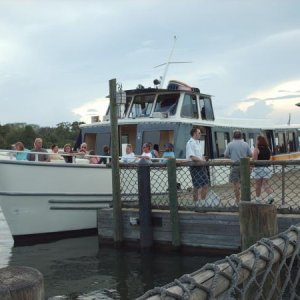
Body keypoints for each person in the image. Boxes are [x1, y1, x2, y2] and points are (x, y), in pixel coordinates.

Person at [224, 130, 252, 204]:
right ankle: (245, 199)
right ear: (241, 136)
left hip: (234, 166)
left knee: (236, 184)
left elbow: (226, 155)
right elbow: (250, 155)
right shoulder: (246, 144)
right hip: (244, 167)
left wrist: (232, 156)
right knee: (245, 183)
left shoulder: (230, 144)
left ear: (233, 136)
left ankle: (237, 200)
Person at [186, 127, 209, 207]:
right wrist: (202, 161)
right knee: (197, 186)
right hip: (195, 167)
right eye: (199, 133)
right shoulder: (190, 143)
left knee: (205, 184)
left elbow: (200, 155)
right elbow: (192, 157)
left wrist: (203, 159)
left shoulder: (198, 142)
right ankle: (196, 204)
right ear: (194, 133)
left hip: (202, 166)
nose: (200, 134)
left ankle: (202, 203)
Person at [252, 135, 274, 204]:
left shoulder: (256, 149)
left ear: (258, 141)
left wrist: (251, 168)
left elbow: (254, 160)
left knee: (258, 184)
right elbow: (268, 158)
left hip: (259, 168)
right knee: (265, 183)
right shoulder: (268, 148)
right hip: (268, 168)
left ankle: (258, 199)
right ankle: (270, 196)